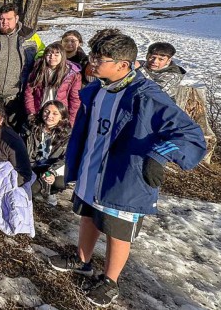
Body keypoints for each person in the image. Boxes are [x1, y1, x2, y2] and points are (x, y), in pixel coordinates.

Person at [48, 31, 206, 307]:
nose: (93, 62)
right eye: (94, 55)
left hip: (125, 174)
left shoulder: (146, 95)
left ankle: (110, 281)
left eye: (100, 58)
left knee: (117, 229)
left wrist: (160, 156)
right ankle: (82, 260)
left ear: (123, 65)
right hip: (93, 168)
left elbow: (190, 134)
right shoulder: (98, 88)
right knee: (87, 214)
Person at [25, 100, 71, 206]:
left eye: (55, 113)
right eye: (46, 111)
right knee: (30, 189)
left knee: (60, 182)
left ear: (62, 116)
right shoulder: (30, 127)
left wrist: (52, 172)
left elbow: (66, 158)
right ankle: (40, 187)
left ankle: (51, 191)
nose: (49, 115)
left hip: (51, 167)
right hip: (32, 165)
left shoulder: (67, 134)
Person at [24, 41, 82, 123]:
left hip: (59, 114)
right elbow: (29, 93)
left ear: (62, 56)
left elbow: (75, 99)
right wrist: (31, 112)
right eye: (49, 54)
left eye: (56, 55)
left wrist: (71, 121)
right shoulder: (37, 70)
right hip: (40, 111)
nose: (52, 57)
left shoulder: (72, 74)